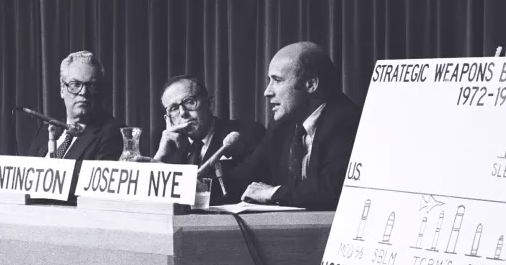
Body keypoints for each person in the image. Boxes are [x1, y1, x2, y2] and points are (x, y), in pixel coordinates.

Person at [220, 42, 360, 210]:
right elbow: (244, 176)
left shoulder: (347, 121)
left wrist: (272, 193)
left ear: (310, 84)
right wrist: (197, 187)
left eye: (277, 80)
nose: (267, 91)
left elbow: (332, 189)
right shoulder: (281, 126)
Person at [153, 75, 264, 204]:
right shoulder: (173, 149)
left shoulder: (246, 133)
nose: (183, 113)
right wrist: (161, 157)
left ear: (209, 104)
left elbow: (244, 184)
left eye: (189, 102)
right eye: (174, 109)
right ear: (168, 118)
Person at [26, 51, 124, 163]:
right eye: (75, 84)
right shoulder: (45, 132)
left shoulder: (113, 133)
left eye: (91, 85)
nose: (83, 92)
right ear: (62, 89)